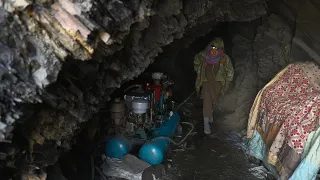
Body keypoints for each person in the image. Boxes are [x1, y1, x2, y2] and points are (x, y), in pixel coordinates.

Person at [193, 37, 234, 134]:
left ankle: (210, 113)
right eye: (212, 49)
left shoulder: (224, 58)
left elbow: (230, 73)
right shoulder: (203, 55)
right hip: (206, 82)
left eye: (217, 49)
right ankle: (206, 124)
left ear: (220, 50)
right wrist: (200, 70)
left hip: (217, 83)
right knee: (207, 100)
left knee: (214, 100)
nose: (214, 52)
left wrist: (226, 83)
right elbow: (196, 62)